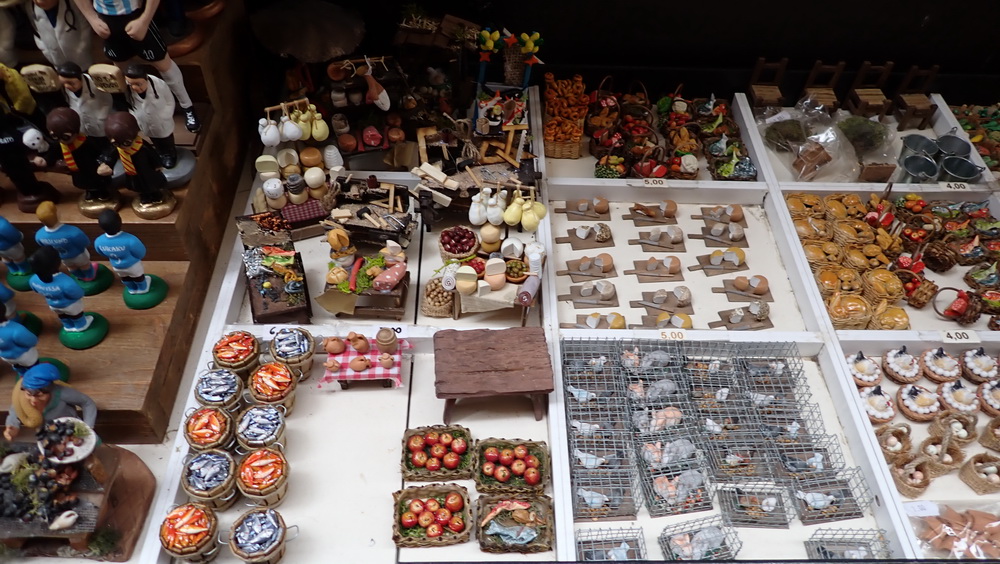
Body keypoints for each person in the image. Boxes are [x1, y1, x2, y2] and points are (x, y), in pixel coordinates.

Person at [71, 0, 200, 133]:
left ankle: (187, 106)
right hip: (106, 20)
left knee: (162, 62)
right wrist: (92, 18)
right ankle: (133, 108)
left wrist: (144, 19)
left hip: (135, 15)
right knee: (121, 68)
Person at [45, 107, 119, 216]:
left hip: (94, 170)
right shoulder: (60, 145)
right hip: (79, 172)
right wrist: (45, 160)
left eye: (65, 137)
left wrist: (105, 163)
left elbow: (105, 151)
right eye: (56, 137)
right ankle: (90, 192)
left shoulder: (87, 142)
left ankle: (103, 193)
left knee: (99, 184)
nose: (61, 140)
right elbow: (53, 154)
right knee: (85, 184)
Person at [99, 110, 173, 219]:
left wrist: (158, 165)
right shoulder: (118, 148)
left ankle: (156, 196)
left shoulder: (142, 146)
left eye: (126, 143)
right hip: (133, 173)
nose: (122, 146)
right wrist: (107, 164)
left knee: (152, 185)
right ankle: (145, 196)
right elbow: (110, 156)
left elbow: (152, 154)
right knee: (139, 186)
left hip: (147, 172)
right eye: (116, 144)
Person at [4, 363, 95, 441]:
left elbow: (87, 402)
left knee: (92, 442)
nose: (34, 400)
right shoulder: (22, 399)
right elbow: (15, 410)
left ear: (50, 391)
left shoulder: (61, 393)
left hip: (71, 426)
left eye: (40, 395)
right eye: (29, 394)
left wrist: (87, 427)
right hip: (48, 433)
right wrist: (12, 425)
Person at [0, 111, 60, 212]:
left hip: (18, 157)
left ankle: (32, 190)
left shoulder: (7, 123)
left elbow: (17, 130)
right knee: (21, 180)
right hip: (10, 161)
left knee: (25, 176)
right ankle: (30, 192)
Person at [28, 245, 92, 332]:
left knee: (62, 315)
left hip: (52, 305)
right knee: (76, 315)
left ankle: (68, 325)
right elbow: (77, 294)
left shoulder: (33, 280)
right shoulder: (65, 281)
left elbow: (36, 290)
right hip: (70, 305)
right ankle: (81, 325)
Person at [123, 63, 175, 168]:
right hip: (145, 122)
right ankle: (161, 153)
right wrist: (135, 117)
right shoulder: (127, 89)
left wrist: (165, 115)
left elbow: (170, 101)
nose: (134, 87)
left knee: (166, 140)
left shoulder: (159, 84)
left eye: (138, 84)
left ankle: (170, 154)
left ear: (146, 79)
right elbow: (129, 104)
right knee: (155, 140)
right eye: (131, 84)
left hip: (161, 121)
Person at [35, 201, 98, 282]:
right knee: (85, 265)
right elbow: (85, 243)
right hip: (78, 255)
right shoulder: (73, 232)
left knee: (71, 267)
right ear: (57, 214)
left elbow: (44, 248)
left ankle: (79, 276)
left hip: (62, 257)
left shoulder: (39, 235)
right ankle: (89, 276)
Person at [26, 0, 93, 68]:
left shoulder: (73, 3)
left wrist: (82, 49)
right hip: (57, 62)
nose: (38, 2)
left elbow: (85, 27)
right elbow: (36, 31)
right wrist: (46, 52)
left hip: (82, 60)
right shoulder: (31, 7)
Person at [56, 62, 112, 143]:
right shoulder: (64, 89)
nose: (67, 86)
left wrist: (102, 115)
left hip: (100, 123)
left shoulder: (95, 84)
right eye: (63, 83)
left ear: (80, 78)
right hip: (83, 125)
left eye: (71, 83)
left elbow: (108, 99)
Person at [94, 209, 147, 292]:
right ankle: (142, 288)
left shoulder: (98, 241)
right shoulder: (130, 239)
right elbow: (141, 253)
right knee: (138, 277)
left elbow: (100, 252)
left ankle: (131, 289)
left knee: (125, 277)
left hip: (116, 266)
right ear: (120, 222)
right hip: (132, 265)